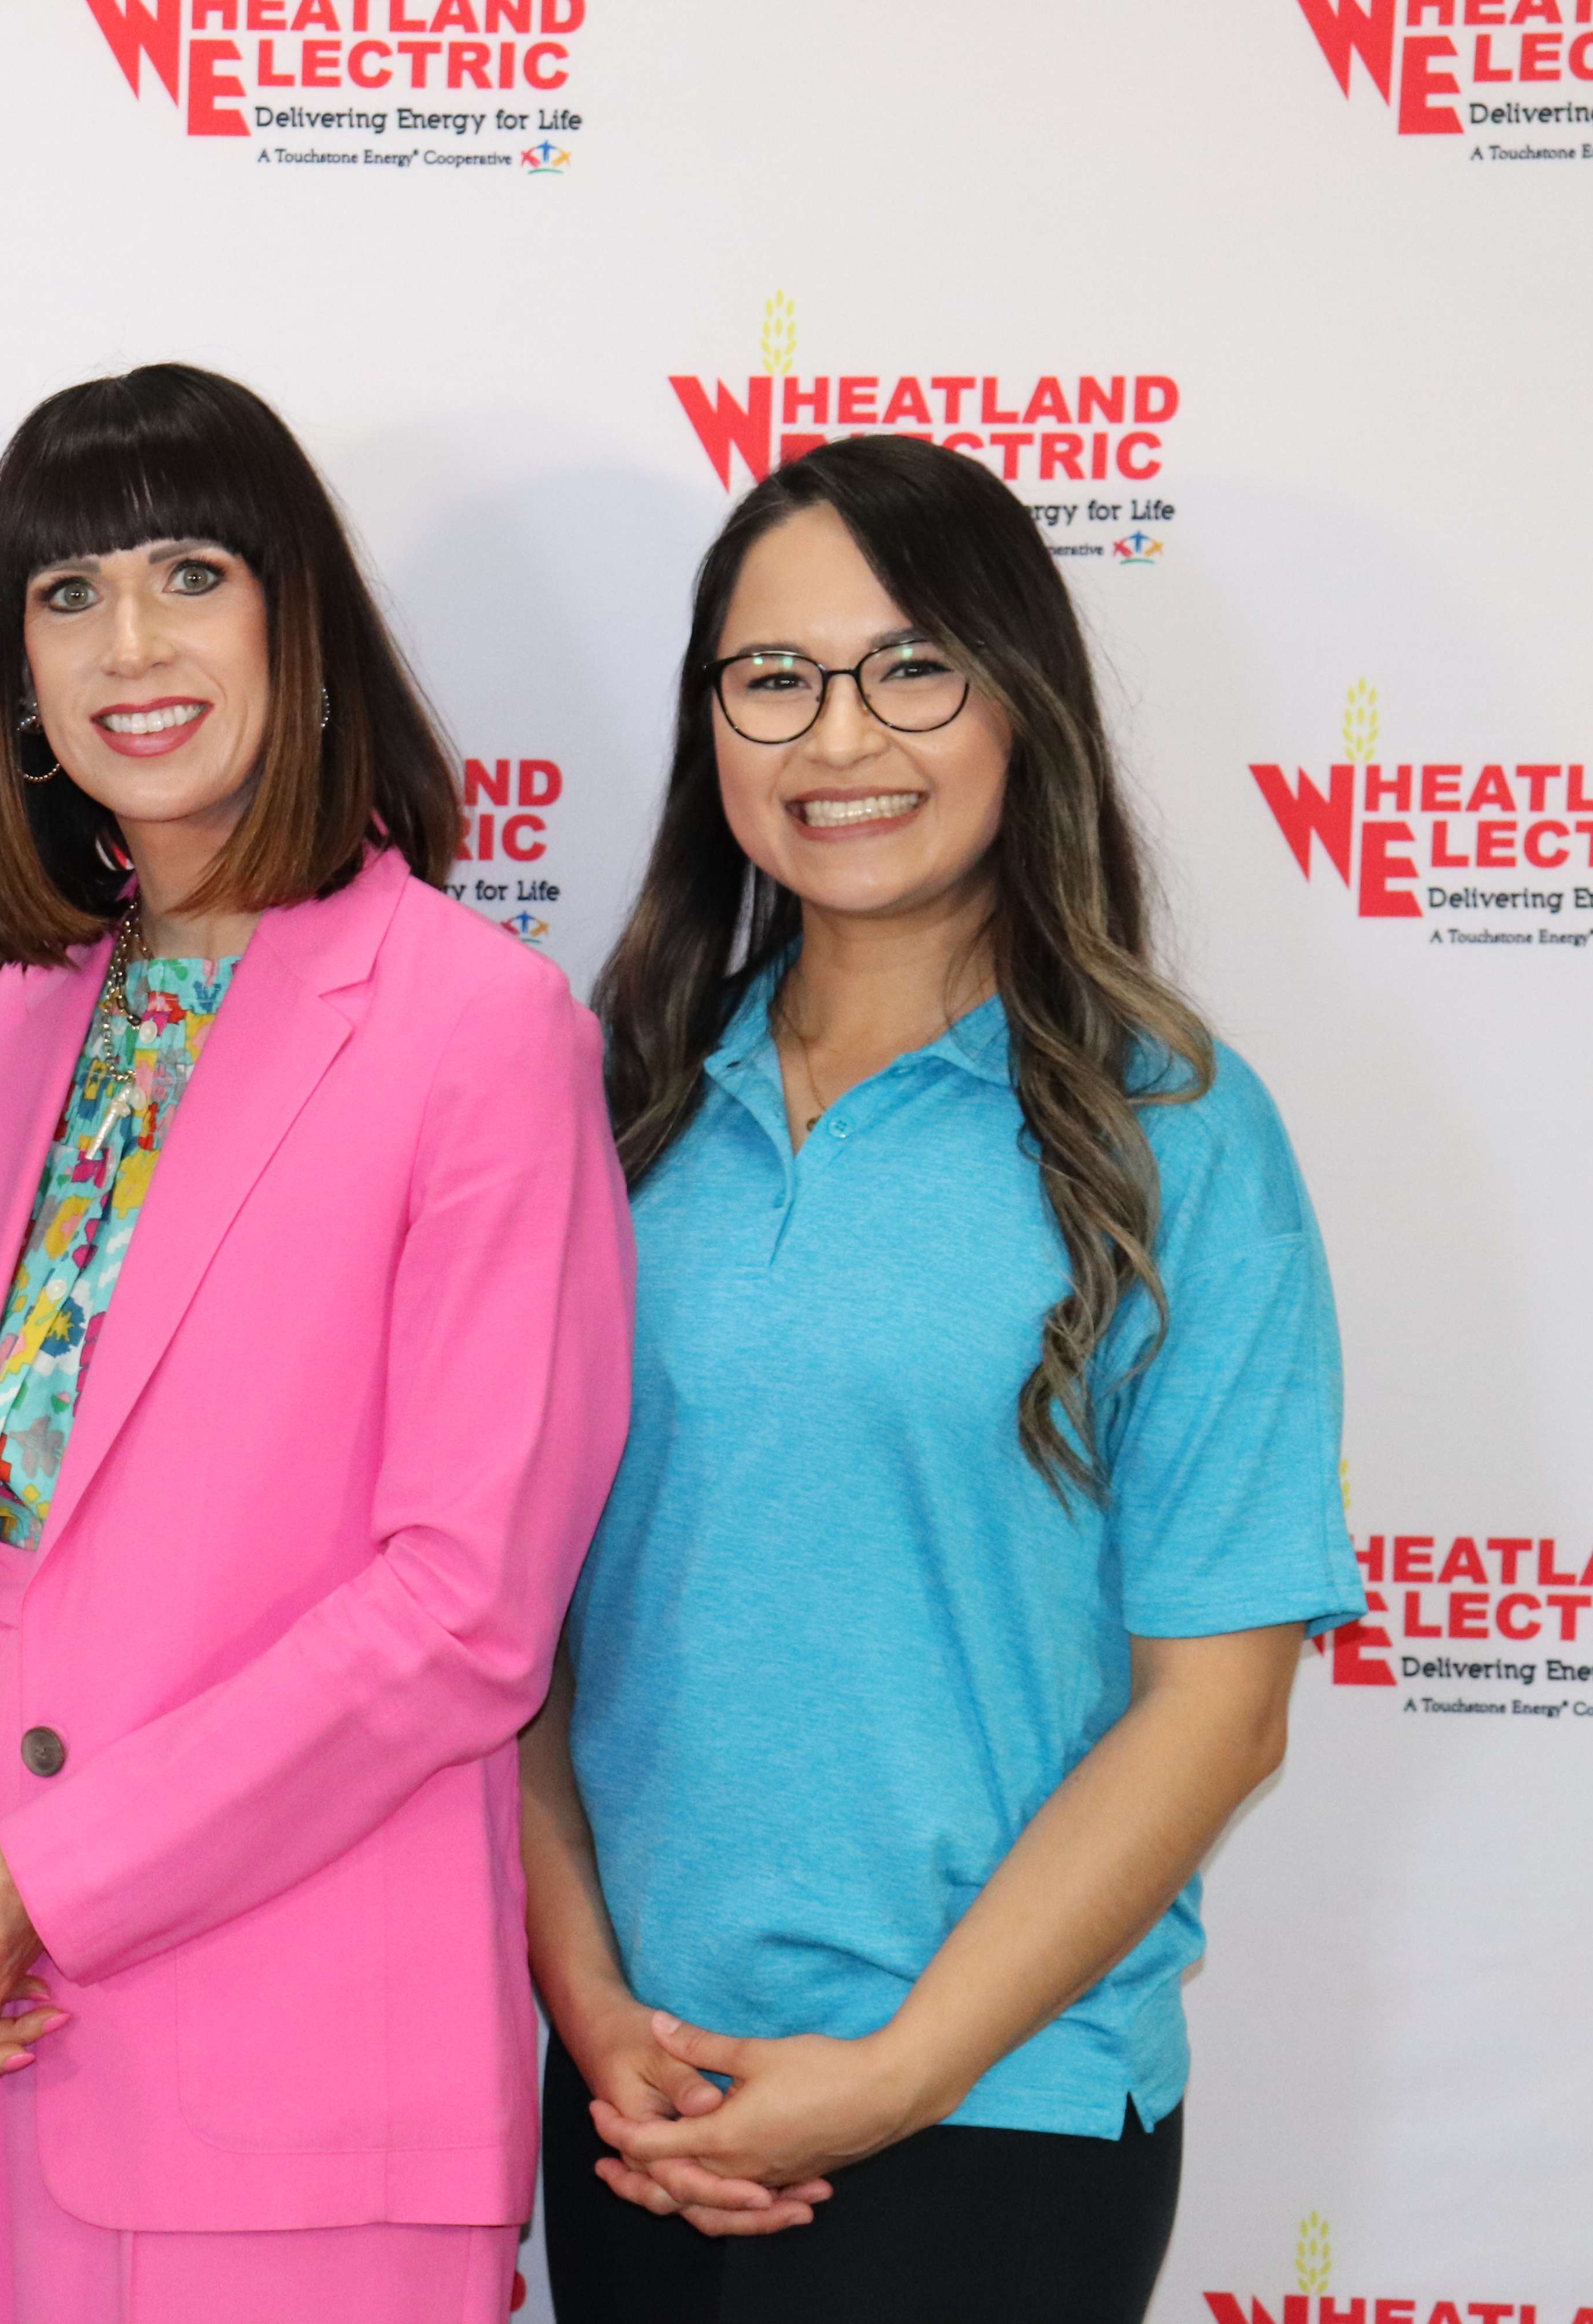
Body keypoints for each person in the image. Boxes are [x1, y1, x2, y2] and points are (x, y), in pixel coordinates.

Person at [0, 364, 638, 2322]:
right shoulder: (11, 1030)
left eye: (189, 574)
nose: (130, 644)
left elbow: (464, 1605)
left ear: (297, 622)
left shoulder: (473, 1024)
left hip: (291, 2083)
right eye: (65, 595)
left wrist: (43, 1886)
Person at [522, 432, 1365, 2324]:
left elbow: (1219, 1709)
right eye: (774, 681)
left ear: (1020, 702)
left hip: (1004, 2111)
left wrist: (899, 2076)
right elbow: (507, 1636)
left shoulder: (1179, 1136)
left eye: (913, 669)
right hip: (645, 2100)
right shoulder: (607, 1112)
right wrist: (589, 2008)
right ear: (710, 725)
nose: (840, 742)